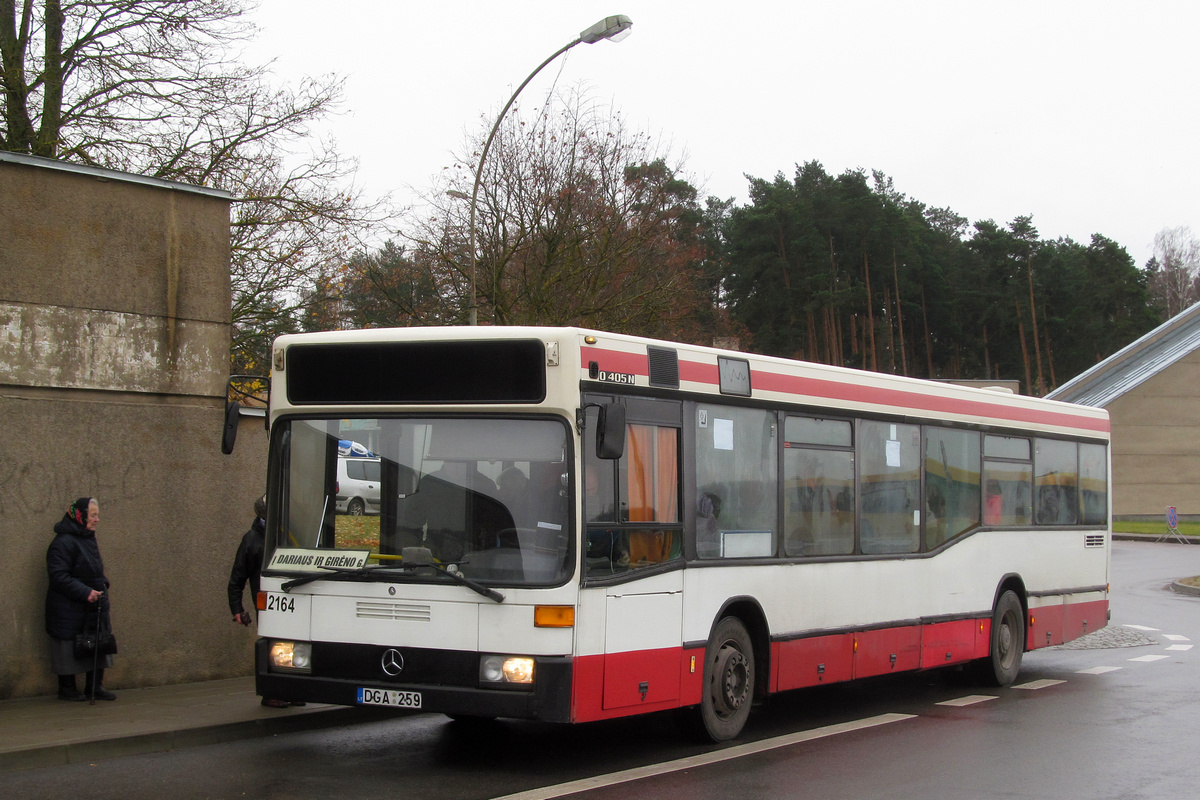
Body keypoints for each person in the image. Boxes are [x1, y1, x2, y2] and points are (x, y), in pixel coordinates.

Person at [227, 495, 299, 708]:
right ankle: (271, 692)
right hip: (268, 603)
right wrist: (237, 608)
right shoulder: (252, 539)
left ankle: (289, 689)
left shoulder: (287, 534)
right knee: (273, 647)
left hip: (289, 599)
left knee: (291, 647)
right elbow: (237, 578)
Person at [45, 497, 116, 701]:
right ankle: (67, 689)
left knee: (97, 643)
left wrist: (103, 583)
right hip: (70, 606)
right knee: (67, 645)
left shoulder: (87, 538)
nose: (97, 519)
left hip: (94, 603)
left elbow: (92, 568)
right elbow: (58, 575)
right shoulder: (63, 542)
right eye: (93, 515)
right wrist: (85, 592)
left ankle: (95, 687)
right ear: (80, 516)